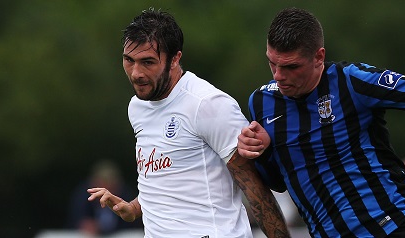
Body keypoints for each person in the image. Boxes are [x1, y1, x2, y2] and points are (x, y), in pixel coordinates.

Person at [237, 7, 405, 238]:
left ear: (319, 57)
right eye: (272, 63)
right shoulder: (262, 103)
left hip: (396, 228)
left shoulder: (351, 82)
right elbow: (277, 182)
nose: (278, 75)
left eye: (291, 66)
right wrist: (259, 152)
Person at [87, 8, 290, 238]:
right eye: (129, 60)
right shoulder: (137, 107)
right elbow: (167, 178)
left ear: (175, 59)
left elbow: (256, 191)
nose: (136, 73)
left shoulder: (207, 104)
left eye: (148, 62)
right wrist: (133, 209)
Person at [67, 160, 142, 235]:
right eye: (102, 185)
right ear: (93, 183)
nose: (106, 193)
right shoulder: (82, 197)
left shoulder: (127, 196)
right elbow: (76, 220)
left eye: (111, 188)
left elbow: (134, 225)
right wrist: (84, 224)